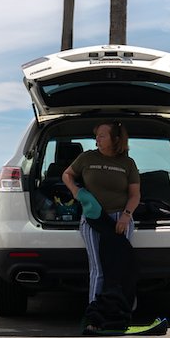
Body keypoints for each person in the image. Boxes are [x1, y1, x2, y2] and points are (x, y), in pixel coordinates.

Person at [62, 121, 141, 304]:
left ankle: (121, 310)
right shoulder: (87, 158)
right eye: (96, 135)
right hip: (92, 219)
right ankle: (95, 311)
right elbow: (67, 175)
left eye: (102, 135)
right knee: (98, 267)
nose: (97, 138)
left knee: (119, 266)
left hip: (119, 220)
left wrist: (126, 216)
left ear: (115, 139)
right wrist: (76, 191)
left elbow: (135, 195)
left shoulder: (127, 163)